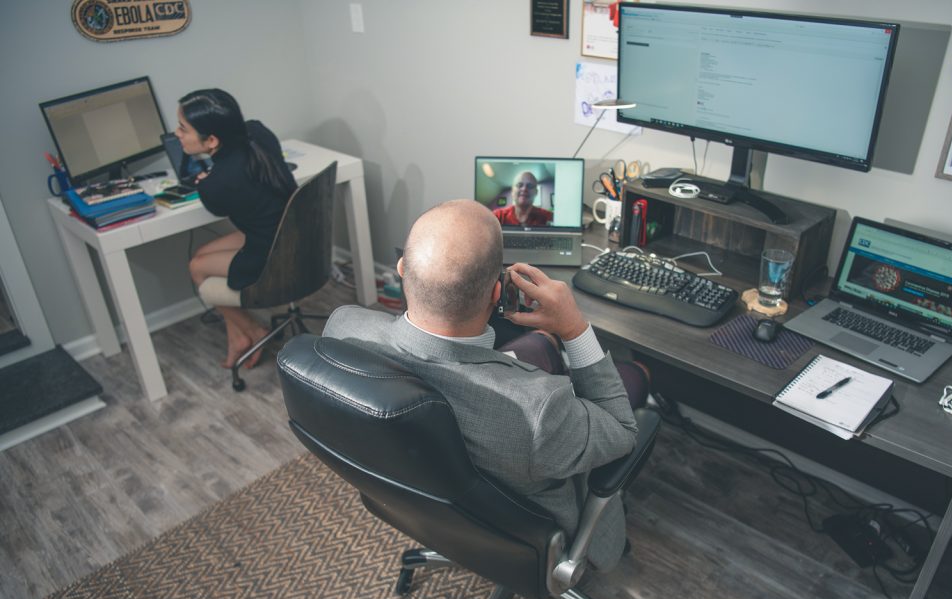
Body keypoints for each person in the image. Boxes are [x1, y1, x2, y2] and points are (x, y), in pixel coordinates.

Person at [323, 199, 649, 572]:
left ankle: (548, 342)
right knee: (637, 376)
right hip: (523, 532)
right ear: (497, 294)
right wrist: (574, 327)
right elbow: (622, 429)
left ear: (401, 270)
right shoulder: (538, 414)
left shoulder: (342, 330)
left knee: (542, 342)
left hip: (414, 500)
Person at [180, 89, 298, 369]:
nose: (177, 134)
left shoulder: (215, 186)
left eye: (183, 129)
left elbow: (219, 198)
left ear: (211, 140)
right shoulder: (258, 134)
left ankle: (253, 330)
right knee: (202, 254)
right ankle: (238, 336)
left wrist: (205, 180)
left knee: (197, 267)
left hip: (270, 255)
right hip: (292, 235)